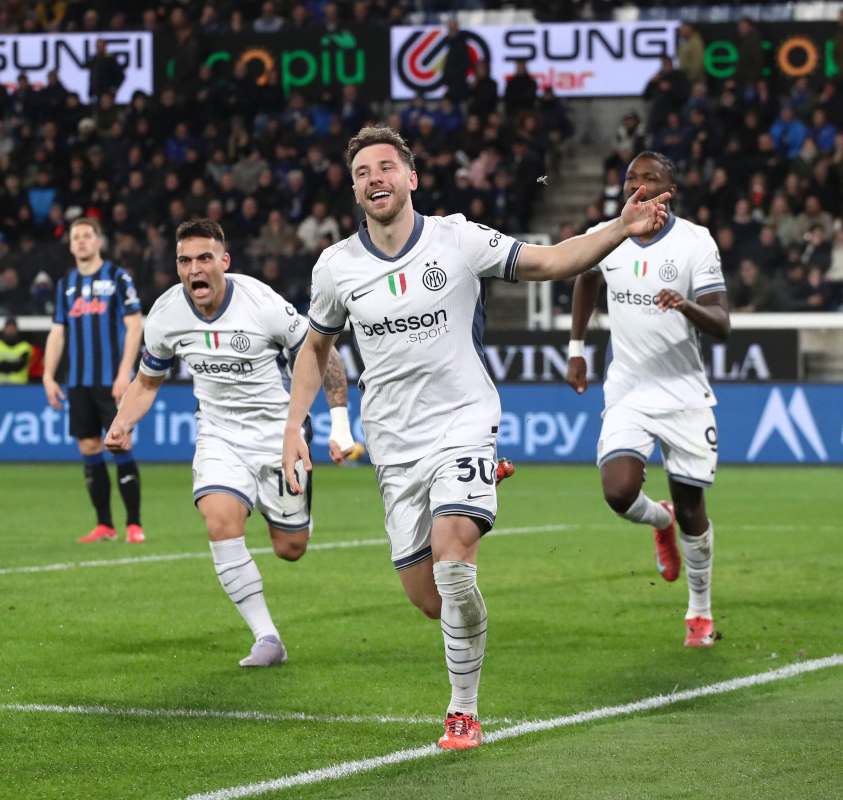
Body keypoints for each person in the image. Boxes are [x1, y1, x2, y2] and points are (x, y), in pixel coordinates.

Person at [281, 126, 670, 750]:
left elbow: (549, 261)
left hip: (462, 420)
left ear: (412, 177)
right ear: (353, 188)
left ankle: (462, 710)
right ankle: (474, 484)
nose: (374, 178)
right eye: (362, 172)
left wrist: (621, 227)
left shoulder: (456, 238)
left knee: (456, 568)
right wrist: (296, 427)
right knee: (432, 600)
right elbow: (315, 349)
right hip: (393, 443)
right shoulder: (336, 267)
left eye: (386, 166)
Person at [105, 218, 356, 666]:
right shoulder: (164, 315)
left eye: (204, 258)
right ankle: (267, 638)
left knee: (290, 549)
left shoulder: (261, 302)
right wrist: (123, 423)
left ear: (224, 261)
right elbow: (146, 381)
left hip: (280, 432)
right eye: (185, 260)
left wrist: (339, 423)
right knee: (219, 522)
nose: (194, 269)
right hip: (218, 432)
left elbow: (320, 349)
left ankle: (285, 512)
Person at [566, 151, 728, 652]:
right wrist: (576, 349)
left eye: (649, 177)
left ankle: (699, 611)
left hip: (683, 394)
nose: (638, 183)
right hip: (629, 389)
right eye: (631, 177)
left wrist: (687, 305)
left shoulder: (694, 242)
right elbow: (586, 278)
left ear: (668, 190)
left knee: (694, 508)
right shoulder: (609, 235)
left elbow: (722, 325)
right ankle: (660, 521)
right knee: (617, 491)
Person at [43, 218, 146, 544]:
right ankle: (105, 525)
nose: (83, 241)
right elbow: (58, 331)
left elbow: (134, 326)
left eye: (88, 235)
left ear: (98, 241)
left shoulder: (117, 277)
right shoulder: (66, 284)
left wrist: (124, 374)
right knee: (89, 447)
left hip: (111, 379)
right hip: (78, 382)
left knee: (121, 443)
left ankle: (134, 524)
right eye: (77, 237)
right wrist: (48, 375)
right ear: (71, 245)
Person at [0, 316, 33, 384]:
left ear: (16, 329)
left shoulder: (24, 347)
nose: (10, 330)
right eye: (8, 328)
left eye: (12, 328)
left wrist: (2, 363)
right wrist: (13, 363)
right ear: (4, 329)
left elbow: (19, 366)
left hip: (19, 387)